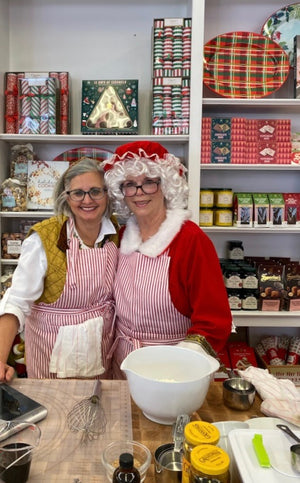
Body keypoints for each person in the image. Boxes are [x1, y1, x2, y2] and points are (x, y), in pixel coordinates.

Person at [104, 140, 232, 379]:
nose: (139, 193)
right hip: (123, 365)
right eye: (130, 185)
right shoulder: (120, 237)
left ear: (166, 186)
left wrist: (183, 364)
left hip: (176, 369)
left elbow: (214, 321)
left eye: (149, 183)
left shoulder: (191, 240)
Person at [0, 158, 119, 382]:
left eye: (95, 191)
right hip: (52, 352)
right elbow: (16, 301)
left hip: (101, 348)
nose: (87, 200)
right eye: (78, 193)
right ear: (66, 197)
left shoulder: (115, 233)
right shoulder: (44, 238)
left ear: (107, 194)